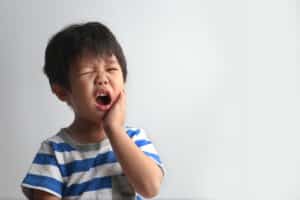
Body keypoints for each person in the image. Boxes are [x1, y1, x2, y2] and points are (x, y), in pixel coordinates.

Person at [21, 22, 165, 200]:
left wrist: (114, 129)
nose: (103, 79)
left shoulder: (135, 139)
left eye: (111, 69)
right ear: (62, 91)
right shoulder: (54, 151)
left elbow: (151, 188)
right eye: (87, 72)